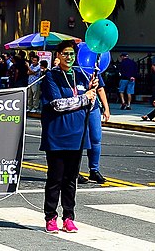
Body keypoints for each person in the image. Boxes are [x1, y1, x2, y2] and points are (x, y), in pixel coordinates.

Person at [40, 40, 98, 234]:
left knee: (70, 179)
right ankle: (50, 216)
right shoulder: (50, 76)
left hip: (78, 134)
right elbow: (57, 104)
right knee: (55, 178)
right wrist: (84, 98)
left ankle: (69, 217)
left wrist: (92, 93)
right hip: (57, 134)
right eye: (65, 53)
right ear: (58, 55)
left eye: (72, 54)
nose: (69, 57)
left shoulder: (81, 75)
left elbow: (90, 106)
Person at [78, 65, 110, 185]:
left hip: (93, 107)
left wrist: (106, 108)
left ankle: (94, 170)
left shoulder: (93, 69)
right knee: (78, 140)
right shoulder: (72, 69)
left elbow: (100, 88)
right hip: (77, 107)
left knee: (96, 138)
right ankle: (74, 170)